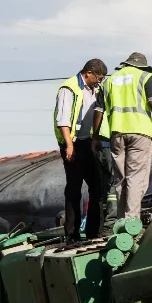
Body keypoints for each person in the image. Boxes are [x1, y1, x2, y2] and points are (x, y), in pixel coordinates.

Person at [92, 52, 152, 219]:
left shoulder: (109, 81)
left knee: (121, 180)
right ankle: (131, 221)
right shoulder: (145, 77)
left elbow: (98, 111)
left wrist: (95, 137)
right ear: (141, 66)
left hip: (117, 134)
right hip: (140, 133)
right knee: (136, 178)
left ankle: (122, 220)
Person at [54, 58, 107, 244]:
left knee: (97, 187)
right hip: (73, 143)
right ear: (88, 73)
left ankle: (95, 232)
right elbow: (63, 120)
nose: (99, 82)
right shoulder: (69, 89)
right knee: (74, 189)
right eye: (98, 78)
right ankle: (72, 233)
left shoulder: (96, 89)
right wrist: (69, 145)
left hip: (87, 142)